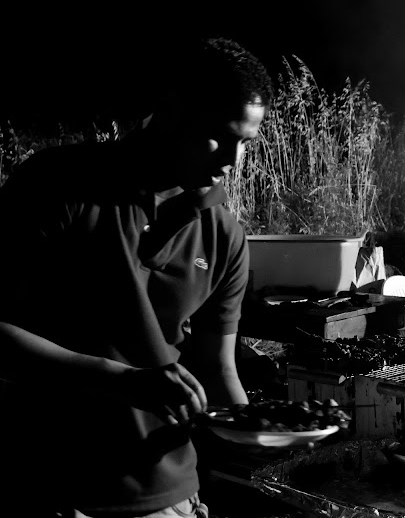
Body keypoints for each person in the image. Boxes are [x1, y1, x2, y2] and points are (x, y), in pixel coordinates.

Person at [0, 37, 273, 517]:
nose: (232, 159)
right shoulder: (57, 186)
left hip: (169, 497)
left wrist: (256, 430)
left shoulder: (224, 235)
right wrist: (121, 381)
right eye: (218, 134)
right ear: (170, 109)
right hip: (52, 487)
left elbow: (218, 366)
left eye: (244, 143)